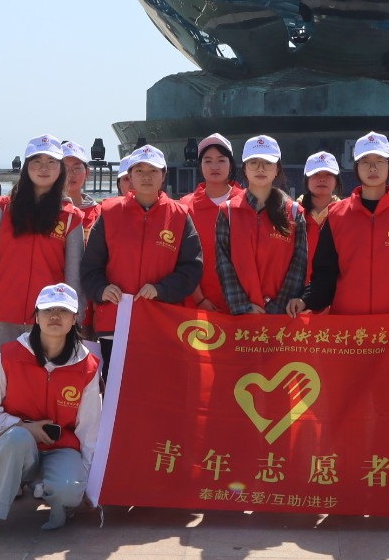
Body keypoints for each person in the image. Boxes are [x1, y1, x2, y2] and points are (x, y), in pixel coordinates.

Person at [0, 283, 102, 538]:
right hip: (16, 445)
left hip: (62, 448)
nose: (55, 316)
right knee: (17, 438)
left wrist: (88, 484)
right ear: (36, 316)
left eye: (63, 311)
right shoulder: (12, 356)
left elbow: (90, 429)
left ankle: (56, 493)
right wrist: (22, 426)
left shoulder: (86, 366)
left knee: (70, 491)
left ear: (74, 318)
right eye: (47, 310)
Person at [80, 145, 202, 379]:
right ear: (130, 176)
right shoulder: (109, 212)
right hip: (114, 323)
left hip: (161, 323)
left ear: (163, 175)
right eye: (139, 171)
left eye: (153, 170)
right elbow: (90, 267)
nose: (146, 176)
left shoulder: (180, 215)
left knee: (156, 390)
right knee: (115, 391)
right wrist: (101, 289)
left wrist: (161, 289)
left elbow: (192, 268)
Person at [292, 132, 389, 317]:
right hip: (347, 324)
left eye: (379, 161)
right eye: (365, 162)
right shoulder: (336, 214)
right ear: (356, 167)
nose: (372, 168)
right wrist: (305, 300)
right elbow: (325, 272)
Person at [0, 135, 83, 360]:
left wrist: (74, 315)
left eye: (51, 162)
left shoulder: (71, 217)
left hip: (50, 318)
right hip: (3, 314)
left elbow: (74, 276)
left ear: (60, 168)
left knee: (44, 377)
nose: (44, 168)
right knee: (3, 376)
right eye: (37, 161)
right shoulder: (5, 209)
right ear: (26, 168)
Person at [215, 135, 308, 315]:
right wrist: (243, 306)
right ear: (245, 168)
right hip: (241, 316)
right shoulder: (228, 212)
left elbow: (299, 265)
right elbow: (223, 264)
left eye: (267, 163)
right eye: (254, 162)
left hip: (281, 316)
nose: (260, 168)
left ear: (277, 169)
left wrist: (278, 307)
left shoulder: (295, 213)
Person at [180, 133, 241, 313]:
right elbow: (180, 258)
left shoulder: (246, 203)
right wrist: (199, 299)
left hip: (241, 306)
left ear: (231, 165)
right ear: (200, 165)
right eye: (208, 161)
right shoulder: (185, 206)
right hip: (195, 308)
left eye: (221, 160)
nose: (214, 166)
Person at [299, 152, 342, 280]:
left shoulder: (346, 214)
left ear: (336, 180)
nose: (322, 179)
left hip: (334, 289)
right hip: (298, 288)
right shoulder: (293, 213)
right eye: (316, 174)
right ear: (306, 180)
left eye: (328, 174)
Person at [62, 141, 103, 240]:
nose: (71, 174)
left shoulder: (99, 213)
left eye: (76, 168)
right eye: (65, 168)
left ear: (87, 172)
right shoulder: (46, 210)